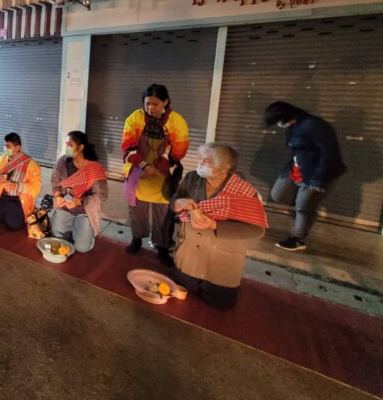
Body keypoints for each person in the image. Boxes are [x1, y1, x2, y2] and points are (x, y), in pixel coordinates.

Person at [172, 143, 267, 309]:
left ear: (225, 167)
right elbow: (175, 199)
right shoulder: (192, 178)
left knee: (220, 303)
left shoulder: (244, 192)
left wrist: (214, 224)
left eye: (207, 160)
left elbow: (257, 229)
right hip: (189, 253)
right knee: (181, 293)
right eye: (201, 158)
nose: (201, 163)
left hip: (221, 258)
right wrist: (178, 203)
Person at [263, 101, 346, 251]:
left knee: (304, 207)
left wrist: (318, 179)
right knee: (278, 195)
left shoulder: (314, 125)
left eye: (279, 121)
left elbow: (330, 154)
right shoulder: (293, 126)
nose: (279, 125)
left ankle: (297, 239)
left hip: (314, 174)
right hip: (296, 169)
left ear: (287, 116)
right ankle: (303, 211)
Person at [122, 84, 189, 266]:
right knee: (137, 212)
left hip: (164, 175)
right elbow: (128, 145)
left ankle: (162, 247)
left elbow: (179, 150)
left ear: (165, 102)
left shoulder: (177, 121)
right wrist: (144, 167)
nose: (150, 108)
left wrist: (159, 167)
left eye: (155, 104)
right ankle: (136, 239)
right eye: (147, 104)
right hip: (139, 173)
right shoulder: (135, 118)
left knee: (163, 216)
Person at [49, 131, 109, 252]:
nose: (67, 148)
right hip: (64, 207)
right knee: (57, 240)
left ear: (80, 147)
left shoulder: (94, 168)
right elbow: (55, 182)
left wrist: (79, 201)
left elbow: (102, 196)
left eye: (70, 145)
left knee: (82, 248)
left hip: (84, 211)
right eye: (66, 145)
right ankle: (72, 231)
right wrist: (58, 196)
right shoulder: (62, 162)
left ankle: (84, 234)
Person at [0, 133, 42, 230]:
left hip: (18, 199)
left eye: (8, 146)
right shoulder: (1, 159)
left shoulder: (31, 164)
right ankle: (6, 212)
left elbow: (35, 187)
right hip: (2, 196)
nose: (5, 148)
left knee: (13, 225)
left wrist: (16, 186)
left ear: (17, 147)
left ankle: (11, 214)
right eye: (4, 145)